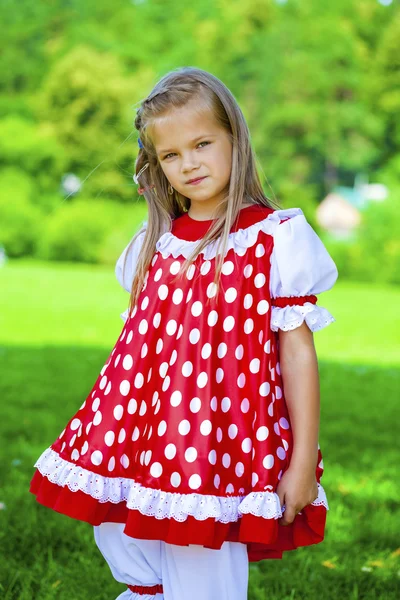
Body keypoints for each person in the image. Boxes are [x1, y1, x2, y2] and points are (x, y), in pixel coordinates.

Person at [29, 66, 338, 600]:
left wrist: (302, 459)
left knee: (202, 572)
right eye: (171, 155)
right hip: (139, 437)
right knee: (130, 548)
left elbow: (297, 353)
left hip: (216, 448)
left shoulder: (275, 240)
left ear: (234, 139)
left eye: (202, 144)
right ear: (155, 164)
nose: (189, 163)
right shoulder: (155, 245)